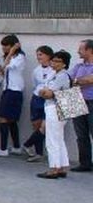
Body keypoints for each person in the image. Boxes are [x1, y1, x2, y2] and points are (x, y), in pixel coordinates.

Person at [38, 51, 74, 180]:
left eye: (57, 61)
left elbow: (48, 93)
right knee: (59, 139)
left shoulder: (61, 76)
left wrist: (44, 92)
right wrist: (44, 91)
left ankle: (53, 168)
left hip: (55, 108)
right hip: (58, 108)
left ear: (64, 64)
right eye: (53, 60)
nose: (54, 63)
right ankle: (62, 166)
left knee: (52, 139)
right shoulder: (57, 74)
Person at [0, 35, 25, 156]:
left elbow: (7, 66)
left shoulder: (19, 57)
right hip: (7, 89)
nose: (4, 49)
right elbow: (0, 74)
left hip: (14, 90)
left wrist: (11, 53)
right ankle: (16, 146)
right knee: (9, 120)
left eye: (7, 46)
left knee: (5, 118)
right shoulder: (5, 58)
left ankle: (5, 148)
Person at [23, 45, 55, 163]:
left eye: (41, 54)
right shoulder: (36, 70)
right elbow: (35, 84)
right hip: (37, 98)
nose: (38, 57)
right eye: (37, 55)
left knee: (45, 126)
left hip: (49, 100)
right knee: (37, 125)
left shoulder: (54, 69)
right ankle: (38, 153)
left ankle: (28, 144)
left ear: (48, 55)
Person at [68, 39, 93, 172]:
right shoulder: (78, 66)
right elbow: (69, 80)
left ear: (89, 50)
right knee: (81, 134)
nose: (78, 51)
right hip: (76, 100)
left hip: (91, 101)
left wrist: (78, 81)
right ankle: (85, 163)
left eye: (81, 49)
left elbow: (90, 80)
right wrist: (80, 81)